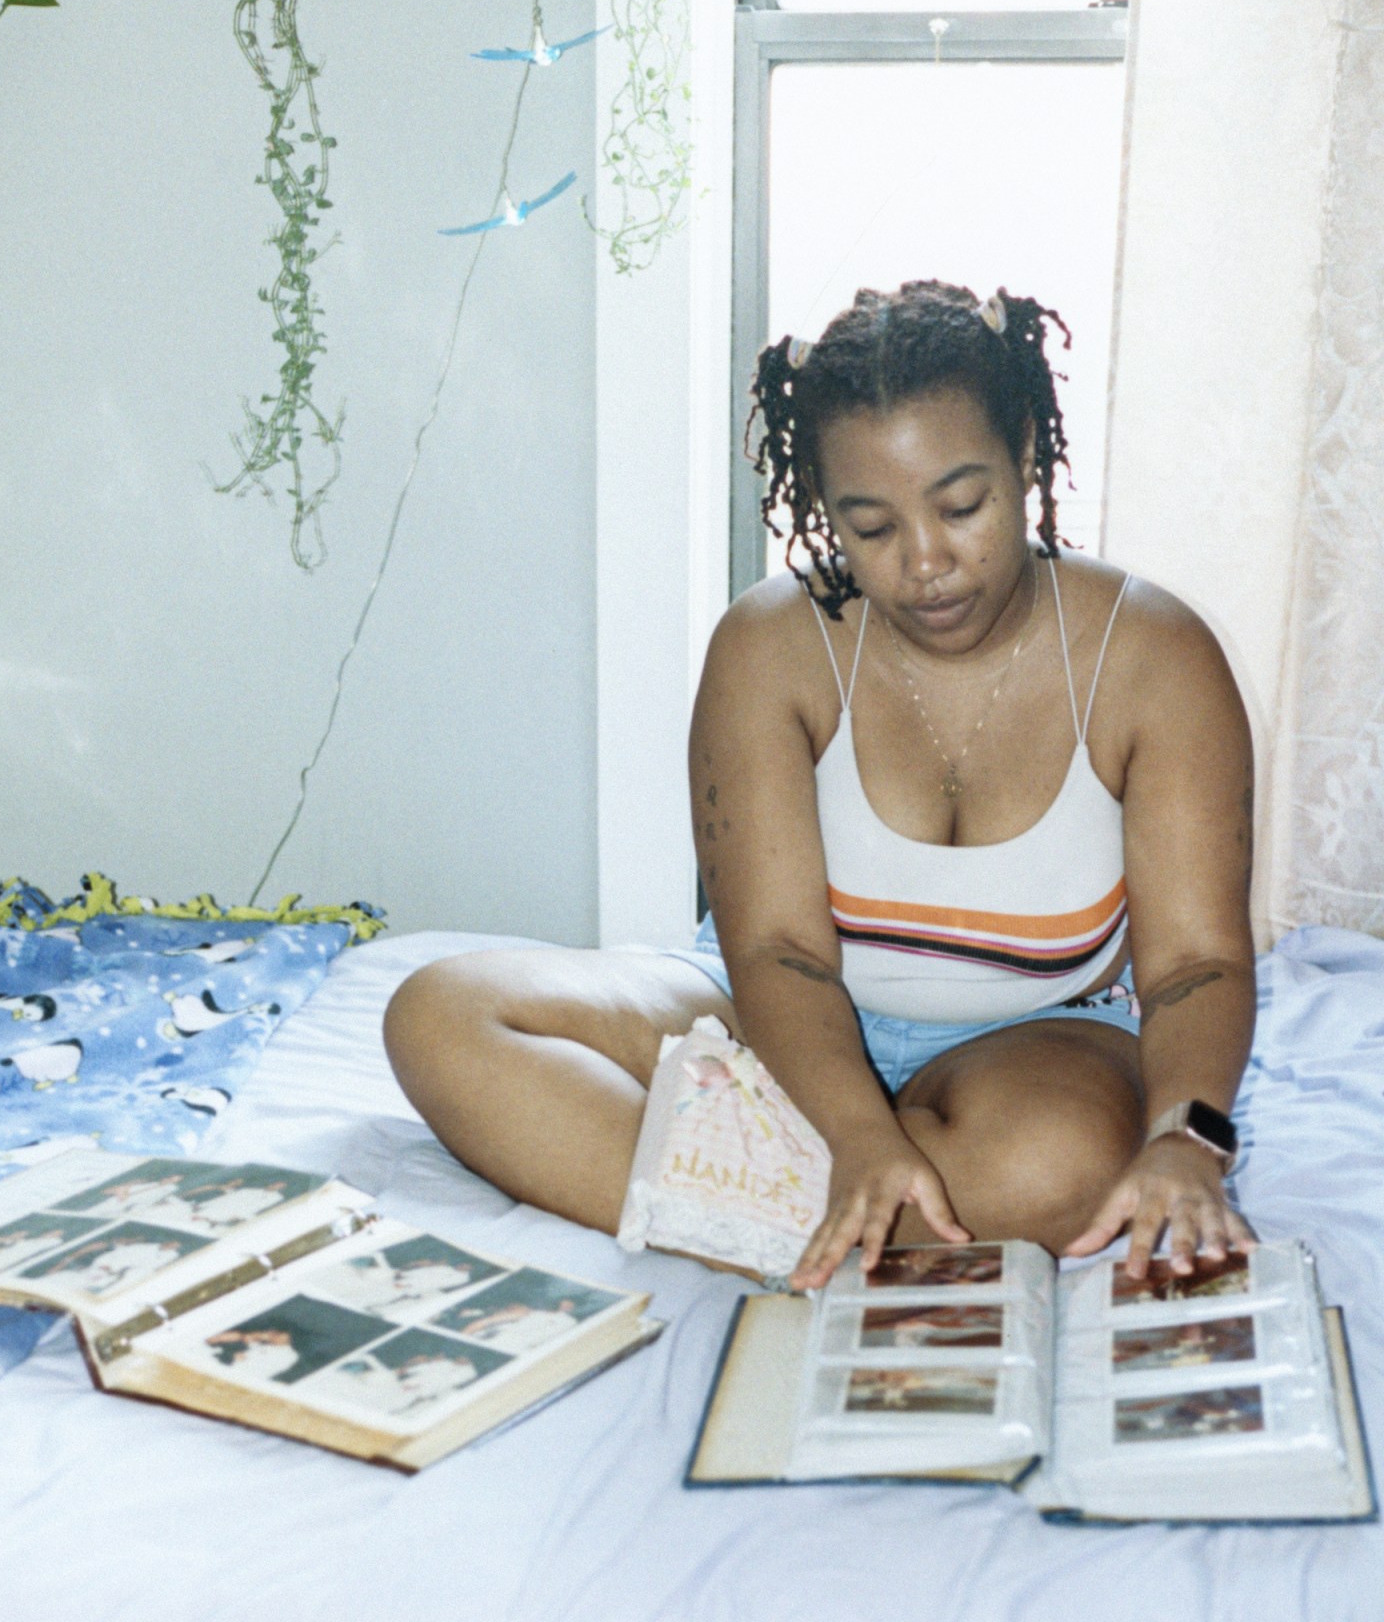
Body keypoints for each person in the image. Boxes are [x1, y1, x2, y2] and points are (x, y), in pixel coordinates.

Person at [384, 280, 1256, 1291]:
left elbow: (1194, 963)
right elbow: (777, 950)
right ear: (822, 511)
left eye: (962, 504)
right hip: (777, 1017)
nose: (925, 561)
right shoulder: (770, 646)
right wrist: (854, 1134)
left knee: (1064, 1165)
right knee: (443, 1013)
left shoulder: (1153, 654)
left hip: (1037, 1036)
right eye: (869, 525)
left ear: (1025, 455)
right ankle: (851, 1212)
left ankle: (743, 1201)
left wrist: (1186, 1140)